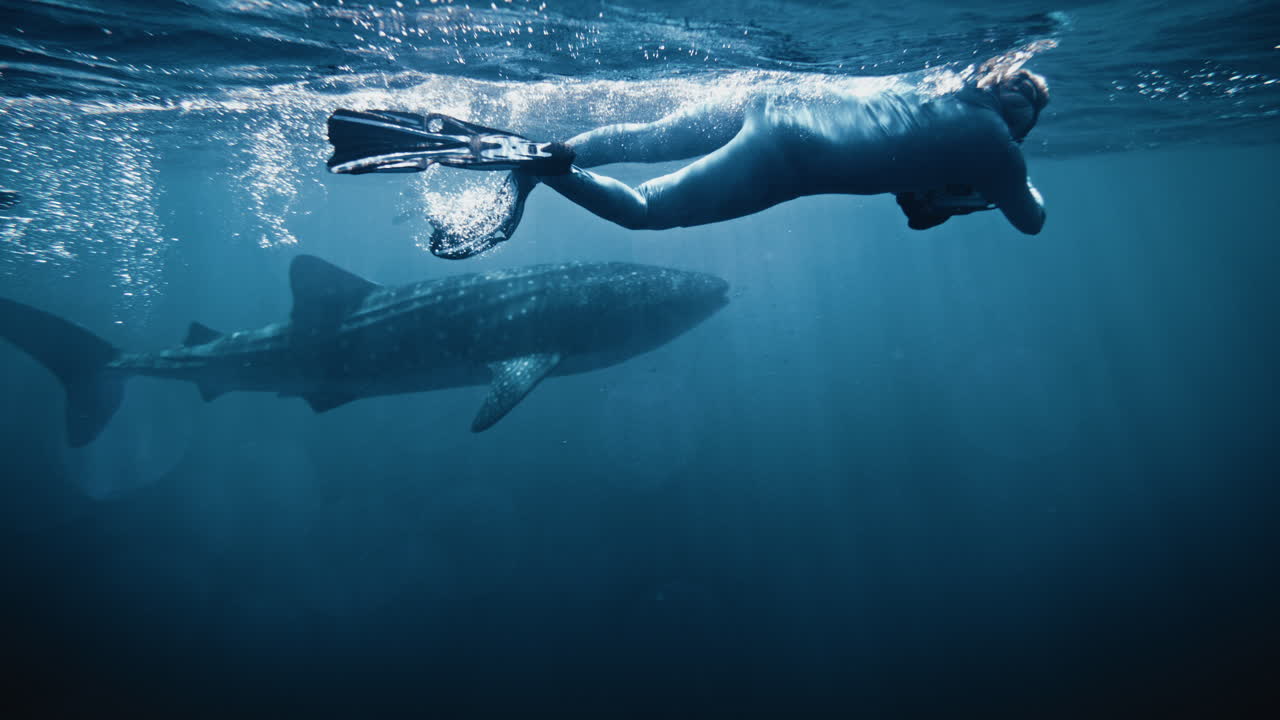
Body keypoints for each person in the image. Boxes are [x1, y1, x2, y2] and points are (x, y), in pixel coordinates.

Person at [326, 54, 1050, 259]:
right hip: (790, 157)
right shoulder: (996, 148)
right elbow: (1032, 221)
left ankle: (545, 162)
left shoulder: (930, 89)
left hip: (772, 100)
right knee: (645, 211)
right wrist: (1000, 185)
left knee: (642, 137)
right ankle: (546, 166)